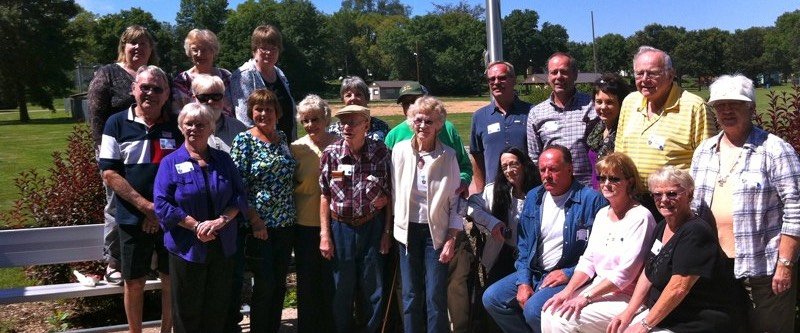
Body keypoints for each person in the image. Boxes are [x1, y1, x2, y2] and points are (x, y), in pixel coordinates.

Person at [691, 74, 800, 332]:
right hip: (717, 266)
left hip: (763, 267)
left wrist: (785, 265)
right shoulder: (704, 151)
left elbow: (796, 210)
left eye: (735, 104)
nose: (726, 110)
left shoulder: (775, 150)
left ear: (750, 107)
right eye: (720, 105)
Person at [482, 145, 606, 333]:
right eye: (542, 170)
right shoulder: (534, 197)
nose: (547, 175)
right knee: (492, 298)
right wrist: (524, 281)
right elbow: (524, 246)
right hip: (536, 271)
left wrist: (569, 272)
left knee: (534, 310)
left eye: (553, 169)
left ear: (570, 169)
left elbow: (601, 252)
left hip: (567, 276)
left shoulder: (592, 200)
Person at [607, 166, 742, 332]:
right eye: (657, 194)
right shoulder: (663, 225)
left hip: (693, 322)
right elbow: (648, 272)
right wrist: (628, 313)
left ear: (689, 195)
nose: (663, 200)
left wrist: (644, 325)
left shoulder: (696, 232)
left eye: (672, 194)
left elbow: (678, 288)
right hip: (663, 315)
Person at [98, 65, 180, 333]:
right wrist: (146, 208)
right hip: (132, 217)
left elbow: (183, 171)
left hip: (170, 218)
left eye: (157, 88)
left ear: (167, 94)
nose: (150, 93)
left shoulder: (176, 125)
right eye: (144, 87)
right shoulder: (116, 123)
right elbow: (109, 173)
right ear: (133, 89)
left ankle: (166, 330)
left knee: (170, 280)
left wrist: (160, 212)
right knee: (134, 282)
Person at [153, 103, 248, 332]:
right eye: (189, 124)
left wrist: (220, 221)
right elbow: (162, 204)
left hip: (222, 245)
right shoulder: (170, 163)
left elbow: (239, 195)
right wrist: (196, 227)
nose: (194, 128)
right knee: (187, 311)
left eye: (201, 124)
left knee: (218, 308)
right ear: (181, 127)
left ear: (211, 128)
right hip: (187, 248)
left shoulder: (224, 160)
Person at [540, 152, 656, 332]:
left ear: (630, 182)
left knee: (563, 319)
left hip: (626, 296)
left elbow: (625, 274)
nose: (606, 184)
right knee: (549, 311)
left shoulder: (641, 217)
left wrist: (586, 296)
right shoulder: (602, 214)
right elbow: (588, 260)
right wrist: (568, 291)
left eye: (614, 179)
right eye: (602, 178)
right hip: (599, 288)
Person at [87, 24, 159, 286]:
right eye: (132, 43)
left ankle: (148, 261)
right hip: (116, 153)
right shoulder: (108, 74)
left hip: (151, 154)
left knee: (151, 201)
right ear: (123, 47)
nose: (138, 48)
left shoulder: (155, 75)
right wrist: (104, 157)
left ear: (151, 49)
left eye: (143, 43)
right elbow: (96, 117)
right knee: (117, 206)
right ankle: (114, 261)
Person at [615, 46, 716, 217]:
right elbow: (619, 154)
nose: (644, 79)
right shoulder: (630, 102)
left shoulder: (694, 107)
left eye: (652, 73)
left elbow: (708, 164)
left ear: (670, 74)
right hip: (633, 201)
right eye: (639, 74)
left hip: (672, 205)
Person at [390, 96, 461, 333]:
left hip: (436, 235)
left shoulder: (448, 156)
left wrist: (451, 238)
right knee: (410, 295)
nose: (423, 126)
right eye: (418, 120)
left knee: (435, 297)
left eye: (429, 121)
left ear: (439, 125)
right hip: (406, 232)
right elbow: (392, 192)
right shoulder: (399, 152)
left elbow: (455, 200)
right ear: (411, 121)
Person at [319, 104, 393, 332]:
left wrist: (386, 233)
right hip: (341, 229)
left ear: (366, 125)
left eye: (352, 122)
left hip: (372, 226)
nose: (346, 127)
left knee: (374, 288)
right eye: (343, 122)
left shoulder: (381, 153)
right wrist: (325, 235)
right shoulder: (331, 154)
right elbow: (324, 196)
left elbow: (390, 195)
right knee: (342, 287)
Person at [229, 89, 295, 333]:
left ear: (277, 112)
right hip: (260, 227)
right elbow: (237, 186)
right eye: (258, 109)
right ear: (251, 112)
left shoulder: (282, 138)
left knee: (279, 284)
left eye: (268, 108)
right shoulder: (244, 140)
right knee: (265, 284)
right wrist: (255, 221)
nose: (263, 113)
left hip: (286, 223)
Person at [290, 94, 338, 333]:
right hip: (305, 223)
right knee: (307, 281)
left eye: (315, 119)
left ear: (326, 118)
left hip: (336, 223)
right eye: (306, 120)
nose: (311, 125)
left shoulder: (339, 145)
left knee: (331, 280)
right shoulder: (296, 148)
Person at [464, 146, 540, 284]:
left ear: (524, 164)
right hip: (504, 254)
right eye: (504, 167)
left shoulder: (540, 192)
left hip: (534, 257)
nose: (509, 171)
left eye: (513, 164)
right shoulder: (495, 191)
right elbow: (471, 205)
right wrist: (492, 223)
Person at [384, 81, 472, 194]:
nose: (411, 106)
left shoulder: (447, 129)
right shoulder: (394, 135)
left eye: (415, 101)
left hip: (443, 200)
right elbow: (386, 175)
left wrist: (463, 181)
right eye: (406, 103)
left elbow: (464, 166)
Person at [528, 53, 596, 186]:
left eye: (564, 72)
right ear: (548, 76)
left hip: (587, 187)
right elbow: (534, 157)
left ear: (575, 74)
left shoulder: (592, 106)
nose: (559, 76)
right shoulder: (536, 113)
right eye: (554, 72)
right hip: (554, 189)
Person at [470, 61, 530, 192]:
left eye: (502, 77)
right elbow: (477, 157)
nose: (496, 82)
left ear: (513, 80)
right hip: (495, 193)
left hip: (528, 191)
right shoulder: (479, 117)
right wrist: (481, 192)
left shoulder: (531, 112)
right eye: (491, 79)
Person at [229, 25, 297, 140]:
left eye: (273, 48)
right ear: (254, 49)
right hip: (260, 148)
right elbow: (244, 121)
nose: (269, 52)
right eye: (264, 48)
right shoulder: (243, 75)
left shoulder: (279, 73)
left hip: (285, 143)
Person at [585, 74, 632, 189]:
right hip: (597, 193)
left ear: (621, 104)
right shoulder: (594, 129)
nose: (603, 107)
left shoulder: (627, 132)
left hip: (618, 194)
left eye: (609, 102)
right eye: (599, 101)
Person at [172, 29, 233, 116]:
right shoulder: (182, 80)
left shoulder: (226, 76)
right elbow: (180, 113)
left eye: (204, 50)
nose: (199, 54)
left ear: (213, 51)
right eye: (195, 50)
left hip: (227, 127)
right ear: (189, 52)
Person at [190, 74, 247, 153]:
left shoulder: (238, 128)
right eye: (204, 97)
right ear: (194, 99)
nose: (210, 102)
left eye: (216, 96)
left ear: (223, 98)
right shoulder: (186, 129)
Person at [328, 76, 391, 142]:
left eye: (358, 94)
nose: (353, 98)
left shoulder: (382, 127)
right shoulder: (333, 131)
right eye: (348, 95)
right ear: (342, 100)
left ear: (367, 98)